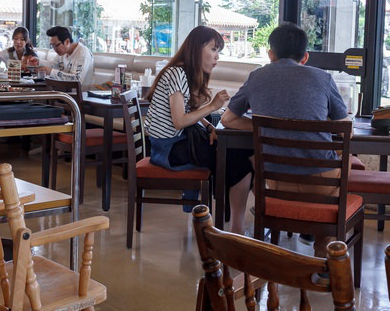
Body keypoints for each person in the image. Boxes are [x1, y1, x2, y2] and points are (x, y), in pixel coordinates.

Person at [221, 22, 349, 257]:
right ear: (306, 56)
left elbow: (228, 119)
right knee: (347, 163)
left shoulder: (256, 77)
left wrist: (265, 127)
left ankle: (277, 249)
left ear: (271, 54)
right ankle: (323, 255)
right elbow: (344, 129)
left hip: (275, 181)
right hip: (320, 182)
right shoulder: (323, 78)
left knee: (251, 159)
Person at [143, 25, 253, 234]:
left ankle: (233, 222)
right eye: (213, 49)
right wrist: (212, 106)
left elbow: (189, 111)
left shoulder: (183, 72)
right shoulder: (176, 73)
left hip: (175, 143)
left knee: (237, 155)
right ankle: (234, 227)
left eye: (218, 51)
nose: (216, 57)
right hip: (168, 150)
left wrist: (211, 126)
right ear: (196, 48)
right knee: (240, 158)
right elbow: (179, 121)